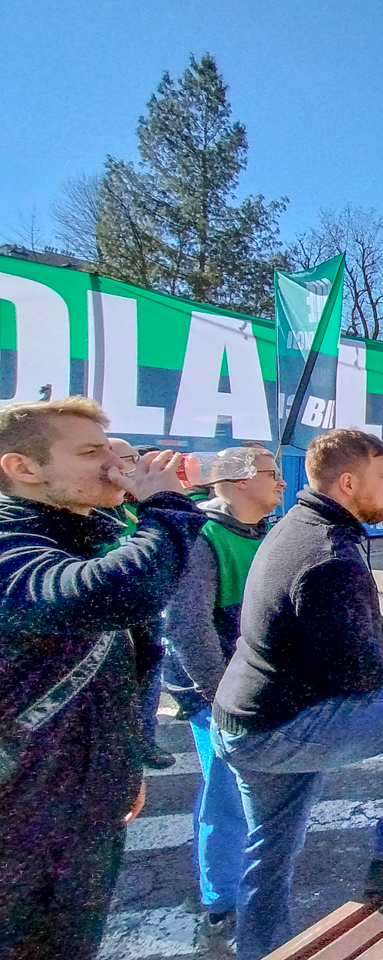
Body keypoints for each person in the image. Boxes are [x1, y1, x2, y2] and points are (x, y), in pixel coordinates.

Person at [210, 429, 383, 960]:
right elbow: (355, 677)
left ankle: (258, 947)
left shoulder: (305, 523)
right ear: (348, 482)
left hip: (245, 717)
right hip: (282, 725)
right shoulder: (328, 554)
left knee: (272, 849)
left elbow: (362, 612)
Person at [0, 397, 207, 960]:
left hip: (81, 805)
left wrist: (122, 763)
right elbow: (106, 593)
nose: (114, 465)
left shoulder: (81, 531)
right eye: (91, 452)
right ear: (22, 468)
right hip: (20, 816)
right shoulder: (11, 541)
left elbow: (123, 665)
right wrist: (165, 507)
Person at [163, 447, 286, 954]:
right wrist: (223, 698)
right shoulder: (201, 537)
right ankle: (222, 903)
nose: (282, 483)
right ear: (236, 481)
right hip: (216, 695)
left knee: (240, 788)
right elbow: (189, 628)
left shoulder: (263, 534)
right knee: (228, 792)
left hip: (253, 689)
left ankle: (229, 881)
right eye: (271, 473)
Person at [106, 436, 174, 769]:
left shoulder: (135, 510)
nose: (134, 466)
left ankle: (144, 742)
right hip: (110, 614)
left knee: (148, 683)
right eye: (128, 458)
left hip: (145, 612)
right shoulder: (99, 513)